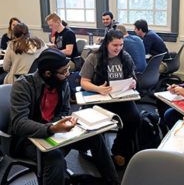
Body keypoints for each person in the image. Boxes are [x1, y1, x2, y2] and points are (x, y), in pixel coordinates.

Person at [9, 48, 119, 185]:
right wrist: (52, 128)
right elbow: (19, 123)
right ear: (48, 73)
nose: (68, 75)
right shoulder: (23, 86)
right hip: (28, 140)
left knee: (94, 136)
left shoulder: (61, 83)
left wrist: (65, 123)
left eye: (68, 70)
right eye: (63, 72)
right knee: (55, 157)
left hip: (56, 132)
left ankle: (112, 181)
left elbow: (64, 111)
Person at [80, 29, 140, 167]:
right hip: (99, 99)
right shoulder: (94, 57)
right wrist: (98, 88)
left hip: (120, 98)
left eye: (121, 45)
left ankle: (119, 149)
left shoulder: (125, 57)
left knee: (134, 118)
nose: (118, 48)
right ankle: (99, 152)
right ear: (107, 43)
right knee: (95, 123)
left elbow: (133, 77)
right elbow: (84, 81)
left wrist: (133, 83)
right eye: (114, 45)